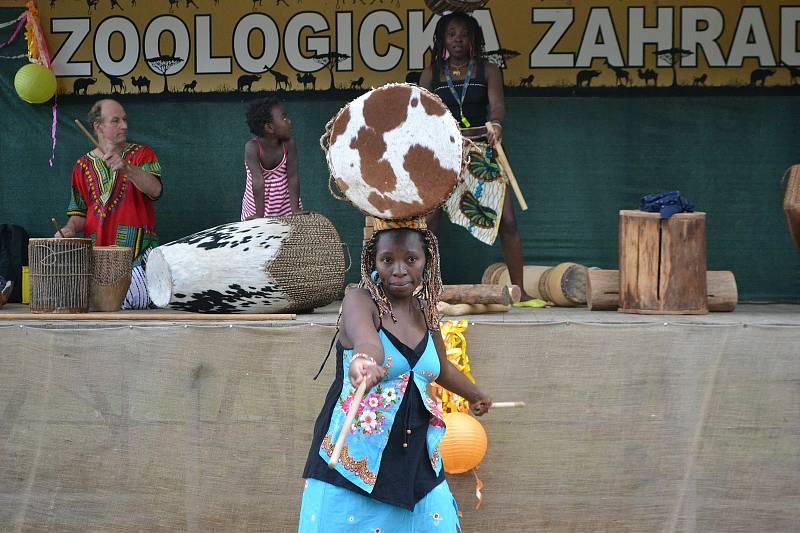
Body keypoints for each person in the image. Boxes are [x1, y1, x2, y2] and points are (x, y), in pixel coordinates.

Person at [299, 221, 493, 532]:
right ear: (373, 263)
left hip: (416, 457)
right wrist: (363, 363)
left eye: (411, 260)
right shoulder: (360, 300)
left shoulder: (427, 311)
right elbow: (367, 343)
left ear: (426, 262)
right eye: (388, 259)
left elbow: (439, 368)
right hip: (356, 457)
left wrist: (474, 394)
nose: (399, 269)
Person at [420, 12, 533, 301]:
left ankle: (519, 290)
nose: (458, 39)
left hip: (482, 150)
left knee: (507, 219)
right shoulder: (433, 73)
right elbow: (422, 115)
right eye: (451, 34)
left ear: (473, 39)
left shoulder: (488, 70)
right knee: (429, 223)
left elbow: (497, 108)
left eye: (464, 34)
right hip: (445, 154)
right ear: (442, 39)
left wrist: (495, 124)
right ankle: (424, 288)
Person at [56, 99, 163, 309]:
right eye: (116, 121)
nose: (124, 125)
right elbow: (79, 214)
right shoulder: (82, 166)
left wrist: (128, 168)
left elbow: (156, 190)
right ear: (98, 126)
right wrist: (69, 229)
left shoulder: (142, 154)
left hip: (137, 256)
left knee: (132, 307)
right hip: (97, 261)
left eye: (124, 120)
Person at [241, 97, 303, 220]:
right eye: (284, 118)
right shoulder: (252, 148)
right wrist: (259, 215)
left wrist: (295, 210)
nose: (289, 121)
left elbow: (293, 177)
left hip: (285, 207)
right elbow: (258, 181)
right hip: (256, 208)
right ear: (269, 127)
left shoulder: (289, 145)